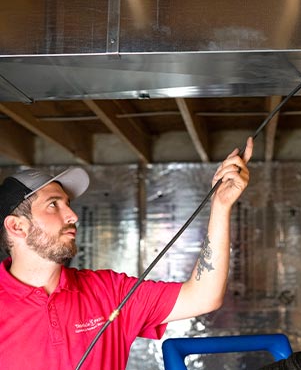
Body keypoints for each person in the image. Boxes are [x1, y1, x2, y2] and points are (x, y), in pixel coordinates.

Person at [0, 137, 253, 370]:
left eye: (68, 204)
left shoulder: (108, 292)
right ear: (17, 226)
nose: (72, 216)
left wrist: (221, 206)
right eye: (53, 204)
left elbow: (203, 296)